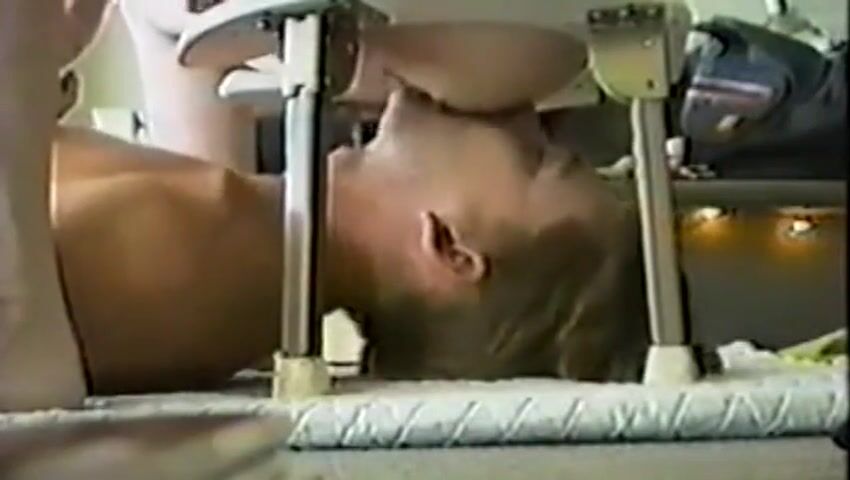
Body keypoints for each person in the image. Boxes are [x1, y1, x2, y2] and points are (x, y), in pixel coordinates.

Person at [3, 0, 650, 410]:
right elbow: (174, 35)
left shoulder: (210, 265)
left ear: (449, 250)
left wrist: (25, 52)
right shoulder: (250, 244)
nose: (523, 119)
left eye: (536, 159)